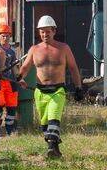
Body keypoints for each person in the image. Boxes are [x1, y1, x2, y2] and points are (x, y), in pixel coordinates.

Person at [14, 15, 84, 159]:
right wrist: (19, 78)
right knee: (45, 125)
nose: (45, 34)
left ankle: (51, 147)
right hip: (40, 92)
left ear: (54, 31)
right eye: (42, 31)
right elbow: (26, 67)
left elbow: (73, 68)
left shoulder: (64, 48)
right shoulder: (34, 49)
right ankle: (55, 149)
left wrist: (78, 88)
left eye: (47, 31)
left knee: (54, 117)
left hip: (57, 91)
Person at [0, 24, 21, 136]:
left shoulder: (12, 52)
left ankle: (10, 130)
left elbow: (14, 67)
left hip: (10, 82)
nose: (5, 38)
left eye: (7, 36)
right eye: (3, 36)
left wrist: (19, 78)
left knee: (11, 107)